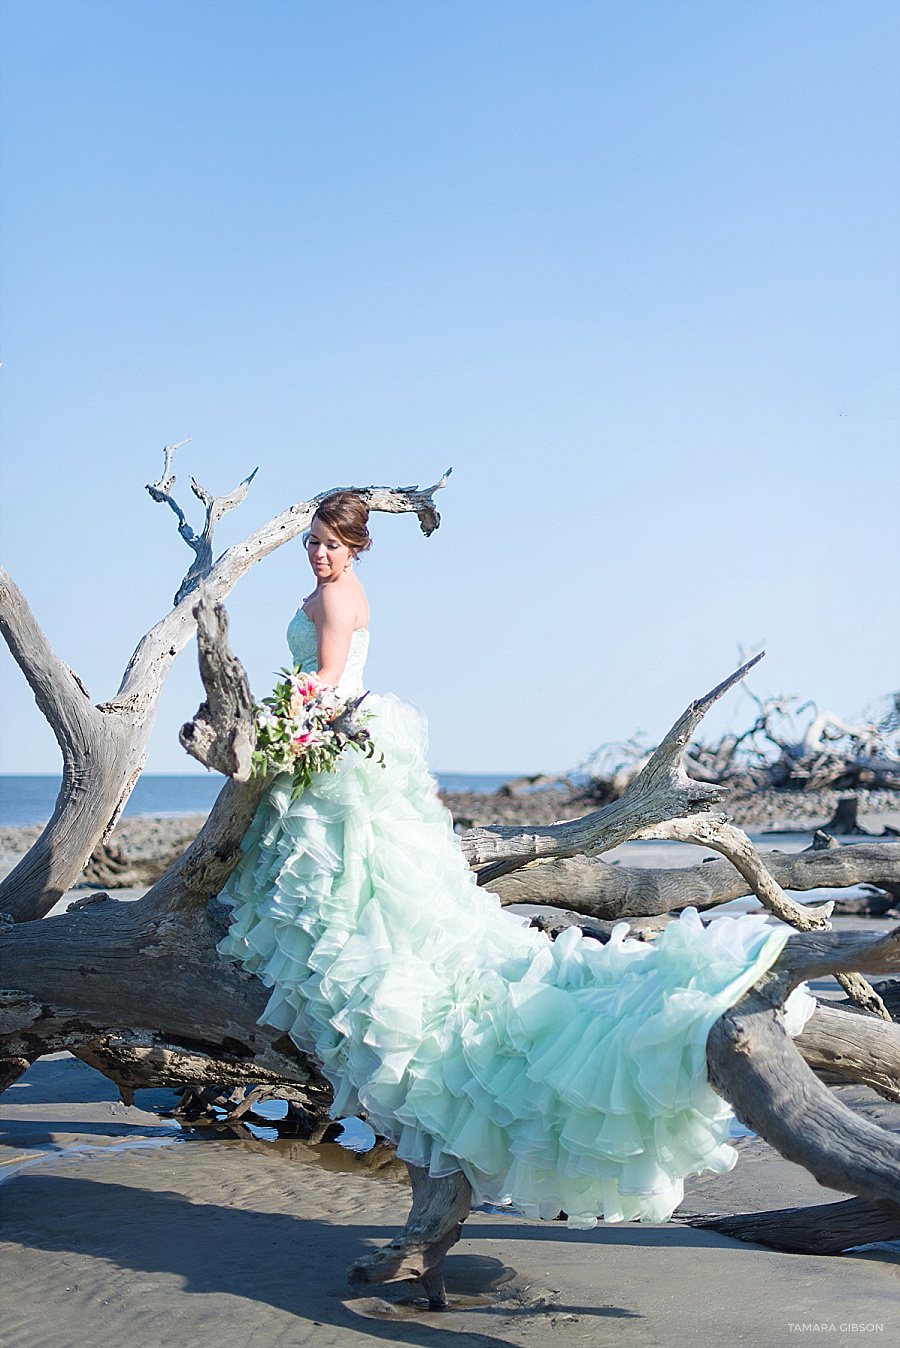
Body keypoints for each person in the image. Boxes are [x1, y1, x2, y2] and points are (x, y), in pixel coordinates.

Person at [217, 491, 813, 1229]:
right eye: (311, 542)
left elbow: (325, 689)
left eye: (331, 543)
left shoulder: (338, 602)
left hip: (336, 737)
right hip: (343, 737)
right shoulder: (332, 590)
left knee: (351, 879)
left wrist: (280, 727)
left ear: (356, 546)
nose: (319, 553)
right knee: (357, 880)